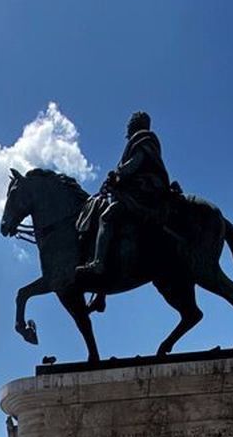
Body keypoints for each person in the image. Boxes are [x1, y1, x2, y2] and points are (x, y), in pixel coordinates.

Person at [75, 110, 183, 308]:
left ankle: (98, 264)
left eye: (131, 122)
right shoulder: (142, 140)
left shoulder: (142, 139)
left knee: (107, 217)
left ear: (137, 123)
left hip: (144, 190)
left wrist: (118, 175)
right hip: (139, 189)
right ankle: (101, 293)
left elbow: (136, 163)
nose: (128, 126)